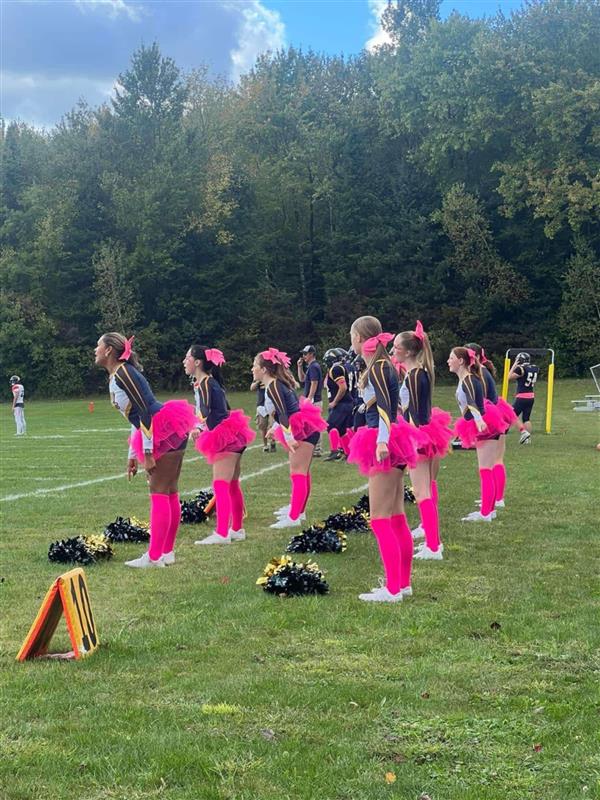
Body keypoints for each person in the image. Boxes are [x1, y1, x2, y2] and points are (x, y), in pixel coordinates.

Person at [95, 333, 197, 568]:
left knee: (159, 491)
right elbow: (135, 417)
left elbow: (144, 411)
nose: (95, 350)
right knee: (169, 491)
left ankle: (154, 556)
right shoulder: (119, 374)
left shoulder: (123, 372)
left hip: (163, 429)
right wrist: (133, 455)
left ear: (109, 350)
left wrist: (148, 453)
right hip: (164, 428)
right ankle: (166, 552)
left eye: (98, 346)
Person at [347, 316, 423, 603]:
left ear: (359, 338)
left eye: (352, 336)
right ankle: (402, 584)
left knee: (380, 518)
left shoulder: (379, 366)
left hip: (384, 441)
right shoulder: (382, 365)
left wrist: (381, 440)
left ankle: (392, 589)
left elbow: (386, 408)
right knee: (395, 516)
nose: (351, 341)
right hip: (393, 439)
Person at [394, 322, 453, 561]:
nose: (393, 350)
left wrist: (412, 440)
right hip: (423, 433)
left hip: (418, 435)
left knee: (421, 492)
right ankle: (432, 539)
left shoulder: (416, 375)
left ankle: (433, 546)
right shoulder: (417, 373)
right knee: (425, 489)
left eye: (397, 347)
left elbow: (416, 414)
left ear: (409, 351)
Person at [184, 346, 256, 544]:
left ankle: (222, 533)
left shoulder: (206, 383)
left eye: (187, 358)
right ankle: (237, 529)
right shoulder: (207, 382)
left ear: (197, 362)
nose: (184, 361)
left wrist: (197, 427)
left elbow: (206, 412)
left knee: (221, 485)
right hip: (232, 434)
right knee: (232, 484)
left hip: (225, 437)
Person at [252, 348, 327, 529]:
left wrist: (289, 436)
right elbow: (286, 410)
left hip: (300, 428)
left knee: (298, 472)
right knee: (302, 472)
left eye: (255, 365)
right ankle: (298, 511)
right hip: (300, 426)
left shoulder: (274, 386)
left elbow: (285, 413)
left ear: (264, 369)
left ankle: (294, 517)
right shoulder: (276, 384)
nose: (252, 369)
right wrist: (275, 428)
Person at [448, 347, 505, 523]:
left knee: (485, 469)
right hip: (484, 421)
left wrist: (479, 420)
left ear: (461, 361)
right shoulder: (469, 378)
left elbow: (473, 402)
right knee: (487, 468)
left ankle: (485, 513)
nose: (448, 361)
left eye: (451, 358)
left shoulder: (468, 379)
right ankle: (489, 510)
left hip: (484, 423)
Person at [466, 343, 517, 511]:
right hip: (499, 414)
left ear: (476, 356)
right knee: (495, 460)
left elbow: (480, 400)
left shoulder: (480, 373)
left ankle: (497, 498)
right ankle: (494, 497)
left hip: (492, 417)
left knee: (493, 461)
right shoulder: (483, 371)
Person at [322, 347, 354, 461]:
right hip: (346, 403)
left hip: (342, 403)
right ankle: (349, 454)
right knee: (341, 430)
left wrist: (335, 401)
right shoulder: (340, 368)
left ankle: (334, 451)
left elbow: (343, 387)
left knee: (331, 425)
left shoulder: (335, 369)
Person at [297, 345, 324, 456]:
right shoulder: (311, 366)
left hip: (314, 400)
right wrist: (299, 367)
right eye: (303, 354)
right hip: (312, 399)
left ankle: (317, 449)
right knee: (309, 424)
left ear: (312, 354)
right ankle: (314, 447)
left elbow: (314, 383)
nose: (303, 356)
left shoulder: (314, 366)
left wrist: (310, 397)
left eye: (305, 354)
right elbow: (302, 379)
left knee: (315, 425)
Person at [508, 352, 539, 444]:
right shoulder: (535, 368)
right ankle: (527, 439)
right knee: (526, 418)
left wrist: (514, 365)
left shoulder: (520, 369)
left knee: (511, 415)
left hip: (522, 396)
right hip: (531, 396)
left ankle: (523, 432)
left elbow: (509, 377)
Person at [251, 378, 275, 452]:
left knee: (272, 425)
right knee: (262, 425)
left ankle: (272, 443)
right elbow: (252, 388)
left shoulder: (272, 376)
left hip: (272, 404)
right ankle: (265, 445)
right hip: (261, 405)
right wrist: (258, 381)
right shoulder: (258, 377)